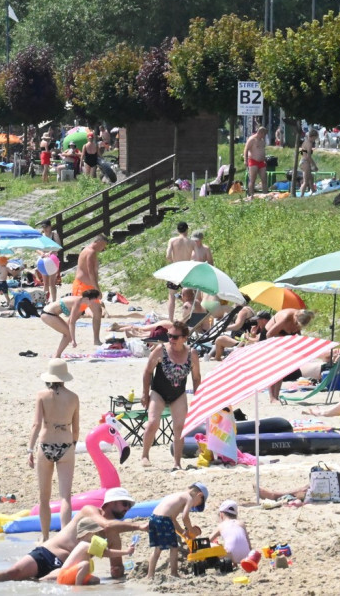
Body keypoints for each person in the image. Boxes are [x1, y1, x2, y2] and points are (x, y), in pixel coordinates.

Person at [0, 487, 148, 584]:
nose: (127, 509)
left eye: (130, 507)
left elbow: (116, 569)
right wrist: (139, 526)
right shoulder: (90, 510)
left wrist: (121, 569)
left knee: (91, 580)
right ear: (110, 503)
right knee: (15, 573)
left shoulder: (114, 534)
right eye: (125, 504)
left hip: (67, 566)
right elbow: (106, 524)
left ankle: (41, 581)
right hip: (47, 553)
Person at [28, 359, 79, 543]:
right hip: (66, 445)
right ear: (64, 377)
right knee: (65, 496)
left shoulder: (41, 396)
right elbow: (76, 427)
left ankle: (44, 537)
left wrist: (29, 449)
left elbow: (36, 424)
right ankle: (65, 537)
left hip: (46, 444)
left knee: (44, 496)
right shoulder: (73, 397)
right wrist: (72, 444)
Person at [140, 320, 201, 469]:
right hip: (158, 391)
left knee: (180, 427)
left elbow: (196, 377)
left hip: (178, 394)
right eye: (169, 336)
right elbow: (148, 371)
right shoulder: (161, 350)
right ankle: (145, 455)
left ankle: (177, 462)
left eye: (174, 337)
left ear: (184, 338)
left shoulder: (191, 353)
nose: (171, 340)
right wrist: (144, 393)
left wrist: (198, 396)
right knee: (153, 423)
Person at [147, 483, 208, 579]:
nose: (194, 506)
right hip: (164, 519)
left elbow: (173, 519)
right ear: (199, 495)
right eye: (198, 504)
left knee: (157, 549)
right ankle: (174, 573)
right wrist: (191, 529)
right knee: (174, 548)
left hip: (153, 518)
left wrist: (183, 532)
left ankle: (150, 575)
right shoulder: (189, 498)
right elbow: (185, 517)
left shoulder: (177, 495)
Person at [264, 309, 316, 401]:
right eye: (296, 324)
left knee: (282, 368)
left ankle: (276, 396)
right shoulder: (286, 318)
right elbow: (269, 334)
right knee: (273, 368)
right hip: (270, 336)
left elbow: (297, 335)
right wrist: (284, 341)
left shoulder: (300, 319)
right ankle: (272, 397)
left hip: (283, 338)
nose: (297, 327)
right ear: (295, 318)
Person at [49, 533, 136, 586]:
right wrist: (126, 551)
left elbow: (104, 551)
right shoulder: (85, 545)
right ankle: (77, 588)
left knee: (96, 580)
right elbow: (106, 553)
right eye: (95, 533)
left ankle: (78, 585)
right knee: (85, 564)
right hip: (64, 577)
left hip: (66, 576)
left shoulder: (84, 546)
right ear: (87, 534)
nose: (98, 536)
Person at [40, 289, 103, 358]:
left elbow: (70, 321)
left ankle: (57, 355)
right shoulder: (77, 303)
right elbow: (72, 323)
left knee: (68, 334)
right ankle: (57, 355)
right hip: (47, 314)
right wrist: (73, 340)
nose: (94, 303)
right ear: (87, 299)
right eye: (94, 300)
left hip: (50, 314)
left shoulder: (81, 302)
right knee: (68, 334)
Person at [73, 235, 107, 344]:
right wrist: (97, 289)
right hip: (83, 286)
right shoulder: (91, 252)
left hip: (86, 285)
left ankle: (96, 339)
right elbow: (90, 272)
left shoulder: (87, 250)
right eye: (103, 246)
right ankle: (68, 335)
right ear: (99, 242)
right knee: (76, 313)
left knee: (97, 311)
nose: (103, 249)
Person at [165, 222, 194, 322]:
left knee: (171, 295)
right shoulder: (191, 242)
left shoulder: (172, 240)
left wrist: (172, 261)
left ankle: (170, 319)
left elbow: (168, 255)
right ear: (187, 229)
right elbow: (194, 257)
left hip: (175, 269)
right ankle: (186, 319)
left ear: (177, 230)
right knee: (188, 296)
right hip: (186, 270)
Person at [210, 500, 251, 565]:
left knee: (211, 545)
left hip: (230, 557)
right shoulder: (241, 524)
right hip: (246, 556)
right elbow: (249, 544)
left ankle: (232, 560)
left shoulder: (221, 526)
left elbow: (207, 540)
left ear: (221, 514)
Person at [243, 126, 268, 196]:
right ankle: (251, 195)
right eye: (264, 134)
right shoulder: (252, 139)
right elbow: (246, 149)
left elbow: (262, 150)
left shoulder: (262, 141)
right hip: (253, 161)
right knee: (253, 179)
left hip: (261, 162)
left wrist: (264, 158)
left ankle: (265, 195)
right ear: (260, 133)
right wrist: (245, 160)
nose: (264, 136)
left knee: (264, 179)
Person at [299, 130, 319, 196]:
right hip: (305, 162)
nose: (315, 140)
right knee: (306, 181)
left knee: (311, 178)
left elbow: (303, 153)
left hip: (302, 161)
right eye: (315, 138)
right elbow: (308, 157)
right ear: (312, 137)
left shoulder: (305, 142)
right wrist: (314, 165)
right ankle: (301, 195)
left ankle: (313, 190)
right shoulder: (309, 144)